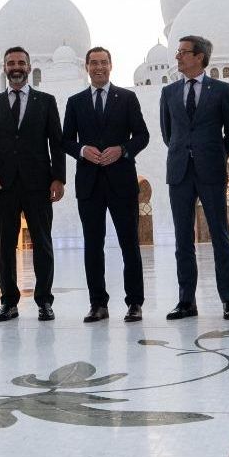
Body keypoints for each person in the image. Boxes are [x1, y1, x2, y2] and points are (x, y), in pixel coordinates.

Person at [0, 46, 66, 322]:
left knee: (42, 243)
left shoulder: (46, 101)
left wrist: (58, 177)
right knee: (5, 245)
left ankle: (44, 302)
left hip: (38, 183)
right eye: (11, 63)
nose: (16, 67)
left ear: (28, 67)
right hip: (4, 185)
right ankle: (9, 302)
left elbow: (56, 142)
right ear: (4, 68)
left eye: (20, 63)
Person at [62, 46, 151, 322]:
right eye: (93, 63)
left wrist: (122, 150)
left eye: (103, 63)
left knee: (129, 244)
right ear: (86, 67)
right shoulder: (75, 102)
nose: (99, 68)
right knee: (92, 245)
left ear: (111, 66)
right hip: (90, 184)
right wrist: (82, 150)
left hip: (121, 182)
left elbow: (142, 135)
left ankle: (134, 303)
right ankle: (98, 304)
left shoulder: (126, 98)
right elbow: (65, 140)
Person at [159, 34, 229, 321]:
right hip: (180, 171)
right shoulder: (169, 93)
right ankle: (186, 301)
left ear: (199, 57)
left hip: (210, 170)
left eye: (183, 52)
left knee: (220, 235)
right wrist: (184, 151)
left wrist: (217, 154)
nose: (178, 57)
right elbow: (168, 133)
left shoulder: (220, 89)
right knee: (183, 238)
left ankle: (228, 300)